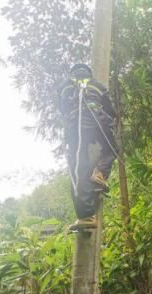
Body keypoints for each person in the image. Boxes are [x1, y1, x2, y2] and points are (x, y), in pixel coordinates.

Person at [58, 63, 117, 231]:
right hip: (98, 122)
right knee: (112, 148)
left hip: (75, 126)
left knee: (78, 168)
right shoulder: (97, 86)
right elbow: (111, 111)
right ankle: (100, 173)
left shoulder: (66, 86)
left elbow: (62, 107)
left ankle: (85, 216)